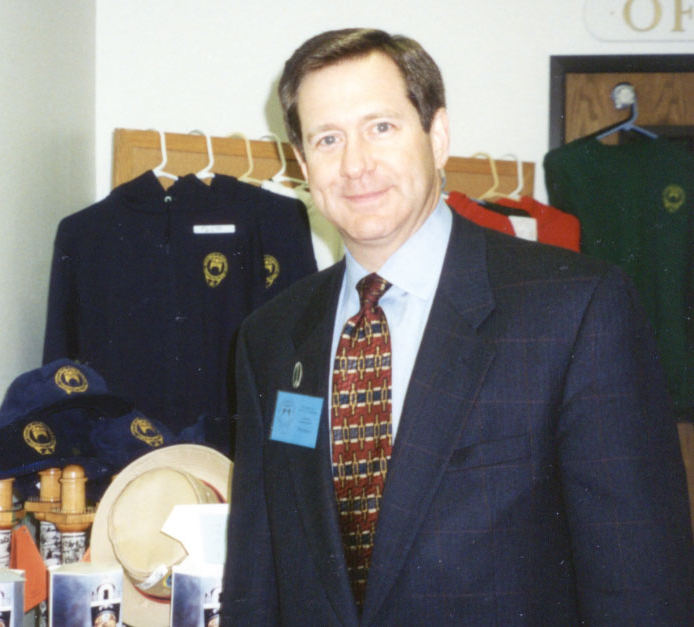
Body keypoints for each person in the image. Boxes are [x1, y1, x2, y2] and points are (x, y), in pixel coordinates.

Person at [221, 28, 694, 625]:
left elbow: (641, 582)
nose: (355, 164)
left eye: (381, 127)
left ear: (437, 136)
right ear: (303, 163)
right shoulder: (270, 336)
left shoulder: (576, 309)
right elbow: (255, 582)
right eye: (328, 138)